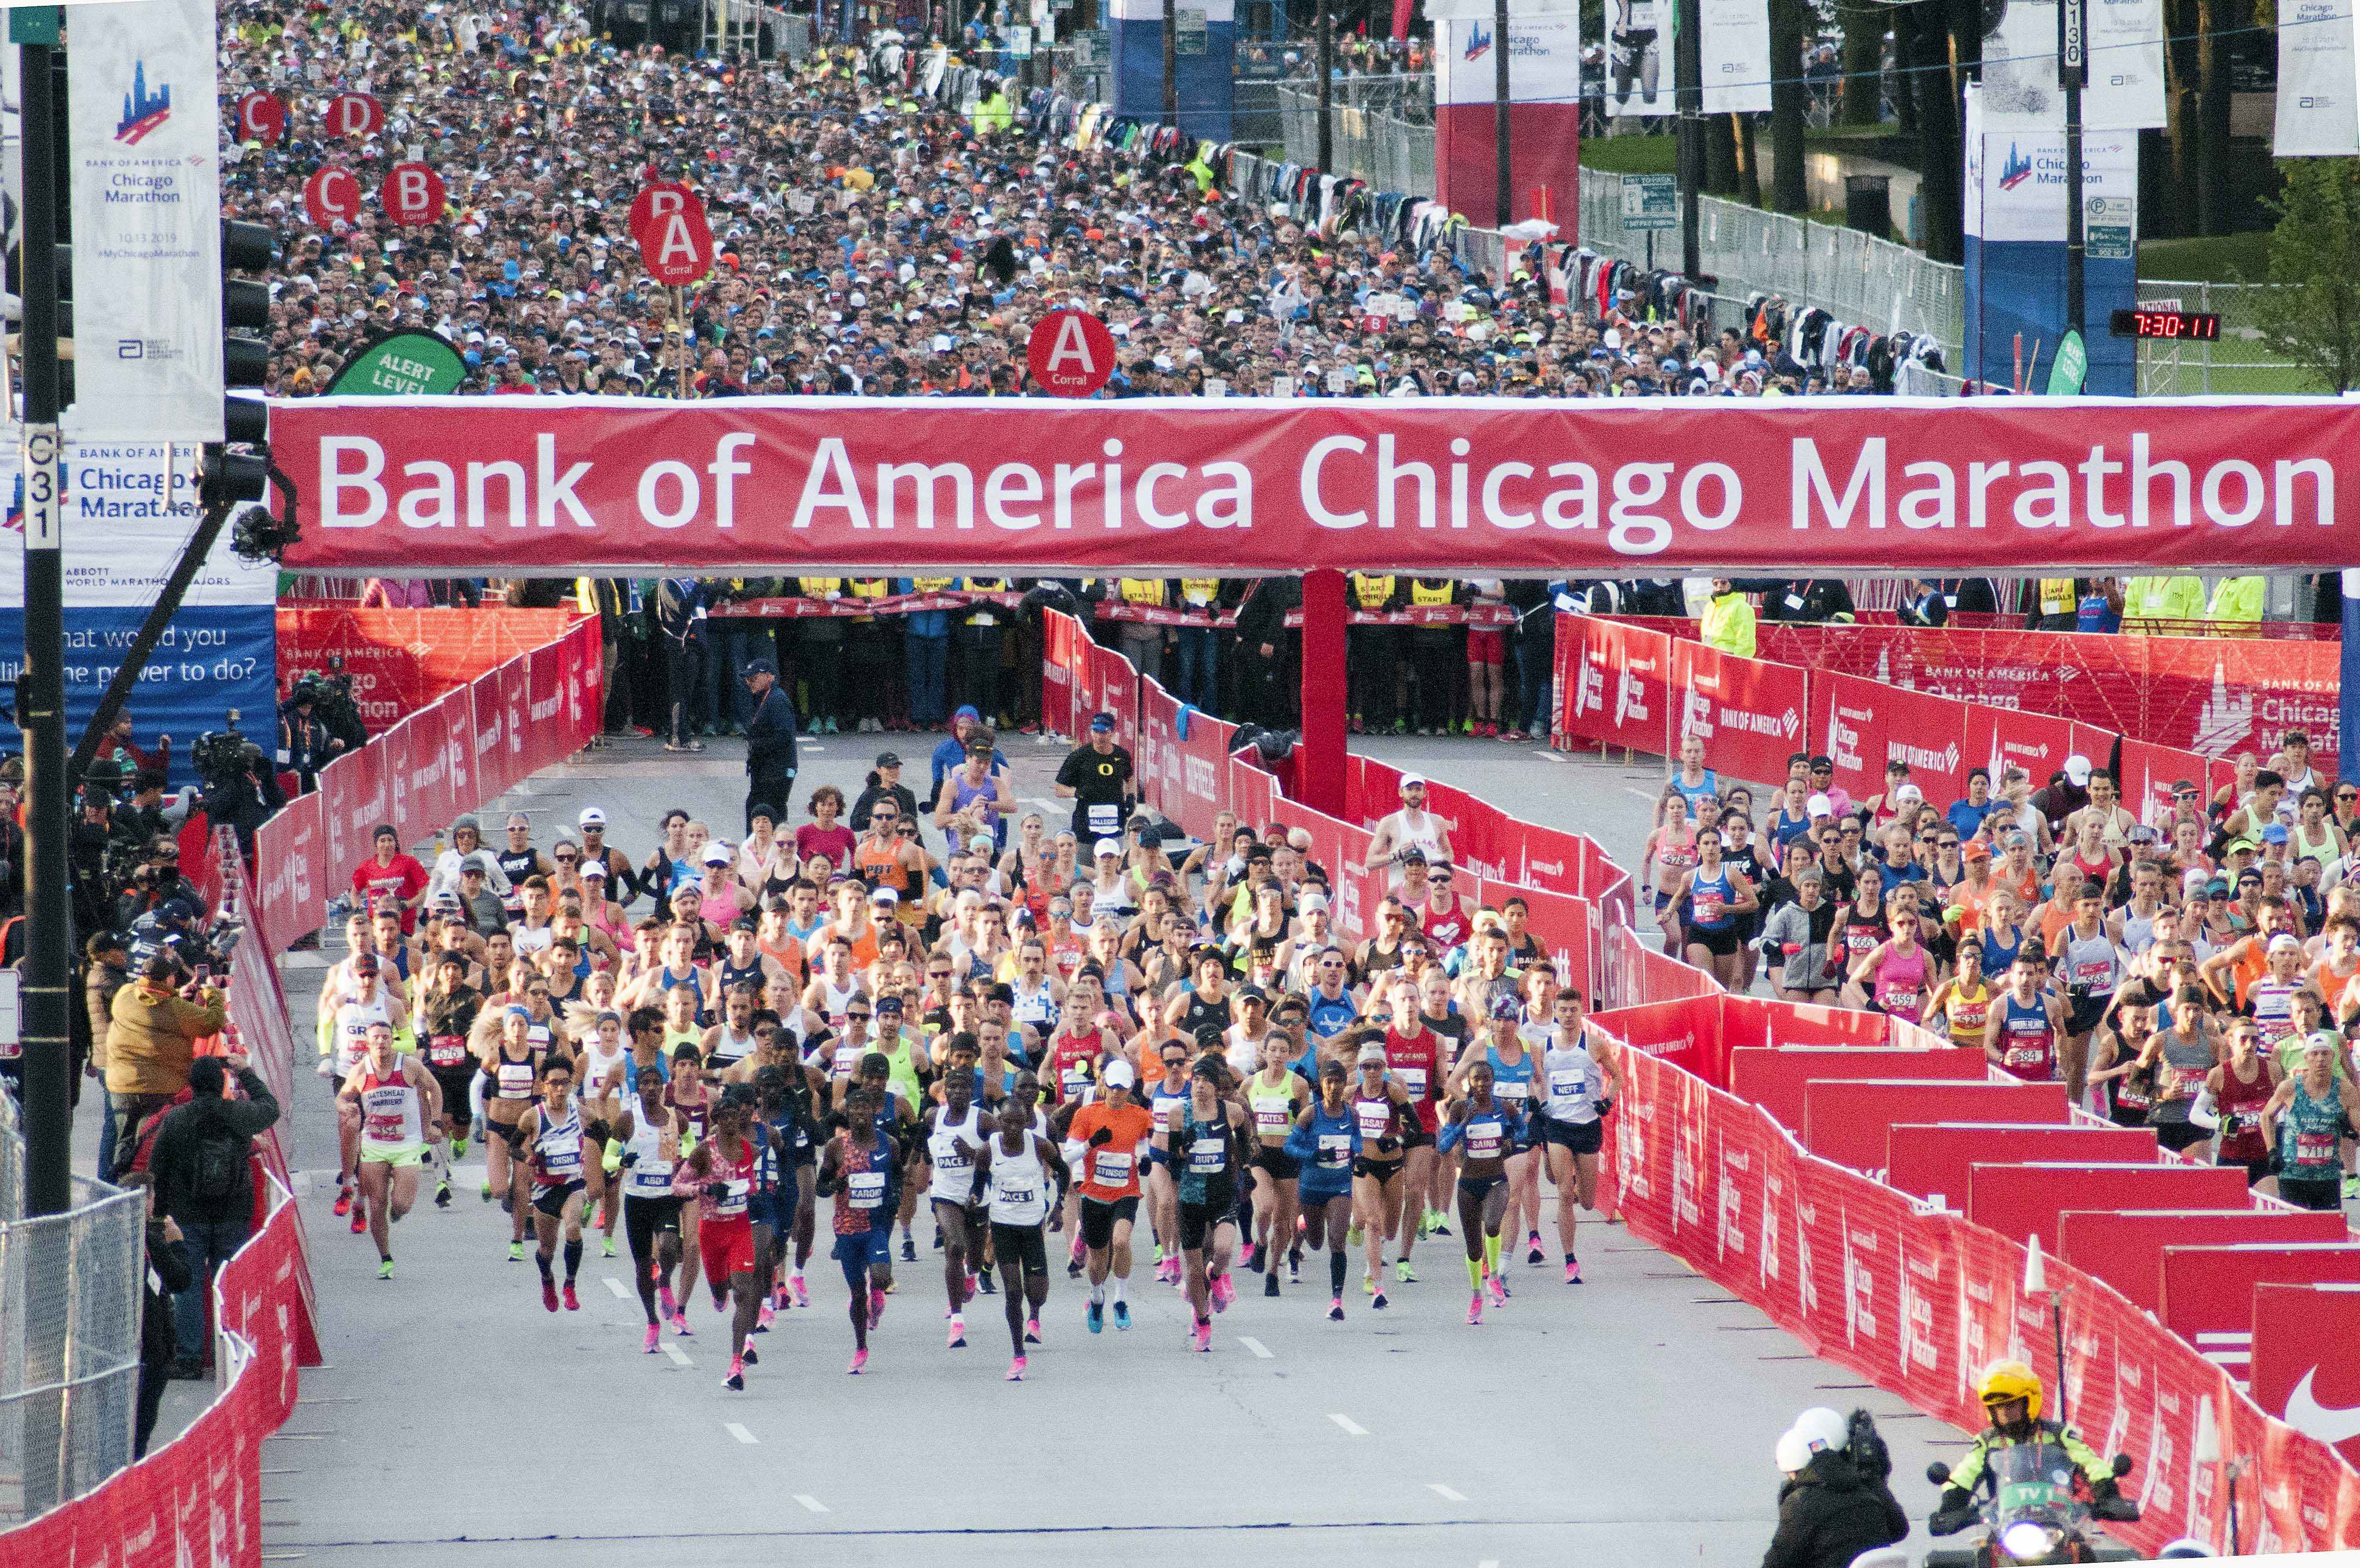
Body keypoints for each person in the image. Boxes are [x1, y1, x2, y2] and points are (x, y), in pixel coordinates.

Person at [146, 1051, 280, 1373]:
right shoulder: (238, 1115)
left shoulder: (176, 1120)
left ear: (191, 1084)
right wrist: (246, 1072)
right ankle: (234, 1352)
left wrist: (160, 1215)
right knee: (230, 1282)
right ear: (222, 1083)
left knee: (188, 1284)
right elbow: (271, 1108)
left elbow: (158, 1169)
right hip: (234, 1211)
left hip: (188, 1214)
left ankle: (190, 1358)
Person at [1932, 1362, 2137, 1528]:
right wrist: (1951, 1507)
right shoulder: (1986, 1442)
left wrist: (2109, 1496)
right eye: (1998, 1408)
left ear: (2031, 1402)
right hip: (2005, 1523)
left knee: (2082, 1550)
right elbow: (1965, 1473)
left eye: (2011, 1406)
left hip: (2060, 1520)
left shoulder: (2059, 1435)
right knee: (1984, 1553)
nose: (2005, 1414)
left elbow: (2091, 1463)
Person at [968, 1098, 1072, 1380]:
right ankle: (1018, 1354)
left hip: (1032, 1226)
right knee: (1013, 1292)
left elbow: (1063, 1171)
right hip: (1003, 1226)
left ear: (1026, 1123)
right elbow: (978, 1184)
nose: (1013, 1127)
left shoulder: (1039, 1145)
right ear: (999, 1123)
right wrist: (975, 1197)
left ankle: (1035, 1314)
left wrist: (1059, 1205)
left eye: (1019, 1122)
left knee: (1037, 1292)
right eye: (1007, 1122)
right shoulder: (988, 1150)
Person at [106, 956, 228, 1179]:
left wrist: (178, 994)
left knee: (124, 1142)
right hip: (160, 1088)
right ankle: (150, 1197)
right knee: (151, 1144)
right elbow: (213, 1021)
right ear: (170, 979)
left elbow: (151, 1003)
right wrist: (212, 993)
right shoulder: (177, 1009)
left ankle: (122, 1193)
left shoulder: (124, 994)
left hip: (122, 1085)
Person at [339, 1021, 442, 1279]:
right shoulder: (361, 1071)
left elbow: (434, 1089)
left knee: (402, 1204)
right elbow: (343, 1097)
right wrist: (345, 1108)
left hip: (407, 1143)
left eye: (386, 1037)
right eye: (377, 1038)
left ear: (392, 1040)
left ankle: (396, 1214)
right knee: (377, 1205)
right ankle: (386, 1258)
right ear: (368, 1043)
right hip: (374, 1145)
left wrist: (436, 1123)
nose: (382, 1043)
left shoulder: (409, 1066)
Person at [1762, 1407, 1908, 1568]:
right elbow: (1898, 1529)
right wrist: (1873, 1479)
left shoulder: (1802, 1503)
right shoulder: (1867, 1487)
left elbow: (1778, 1562)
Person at [2259, 1033, 2360, 1209]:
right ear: (2306, 1058)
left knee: (2327, 1232)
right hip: (2293, 1176)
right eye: (2315, 1054)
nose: (2320, 1059)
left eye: (2325, 1054)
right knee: (2295, 1231)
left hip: (2327, 1176)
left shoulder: (2345, 1090)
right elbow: (2266, 1116)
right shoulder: (2290, 1088)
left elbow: (2357, 1125)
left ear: (2333, 1057)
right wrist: (2272, 1150)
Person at [1054, 711, 1136, 844]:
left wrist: (1131, 798)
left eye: (1103, 732)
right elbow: (1059, 788)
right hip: (1086, 822)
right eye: (1095, 732)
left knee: (1111, 861)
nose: (1098, 737)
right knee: (1085, 864)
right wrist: (1077, 793)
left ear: (1112, 732)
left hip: (1113, 821)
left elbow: (1130, 779)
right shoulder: (1079, 756)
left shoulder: (1122, 755)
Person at [741, 657, 799, 834]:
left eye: (753, 678)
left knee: (768, 812)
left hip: (776, 772)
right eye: (747, 679)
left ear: (769, 676)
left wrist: (757, 745)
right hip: (767, 770)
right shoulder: (767, 698)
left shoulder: (777, 700)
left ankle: (771, 848)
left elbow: (784, 736)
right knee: (761, 810)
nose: (749, 682)